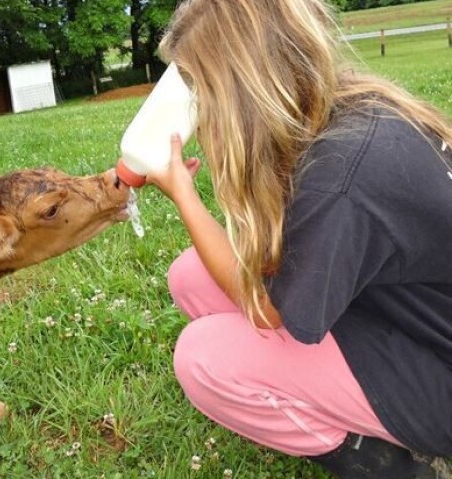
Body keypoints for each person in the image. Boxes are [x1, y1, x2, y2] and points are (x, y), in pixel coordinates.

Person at [141, 0, 452, 478]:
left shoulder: (342, 177)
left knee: (204, 358)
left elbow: (269, 310)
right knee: (191, 276)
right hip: (412, 322)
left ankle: (388, 467)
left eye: (201, 90)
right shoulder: (344, 111)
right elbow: (273, 260)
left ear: (241, 90)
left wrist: (185, 197)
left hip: (440, 374)